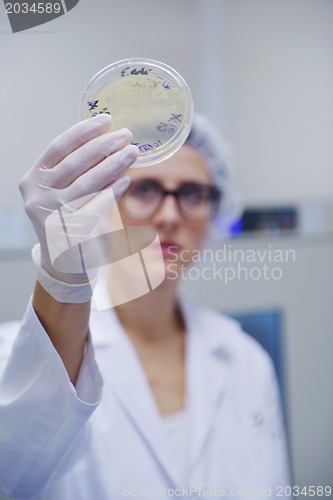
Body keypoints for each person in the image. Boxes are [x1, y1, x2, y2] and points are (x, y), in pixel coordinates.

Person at [0, 113, 291, 499]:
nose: (170, 216)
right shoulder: (13, 359)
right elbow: (14, 475)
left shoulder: (247, 362)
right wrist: (62, 279)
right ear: (101, 204)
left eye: (192, 194)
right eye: (145, 189)